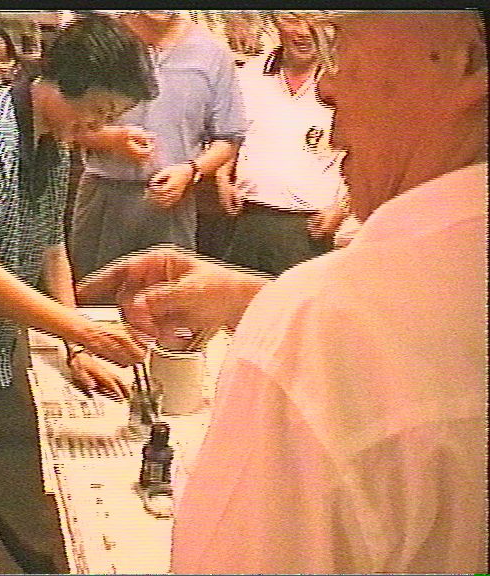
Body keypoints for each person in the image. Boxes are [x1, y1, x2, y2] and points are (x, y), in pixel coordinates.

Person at [79, 10, 487, 574]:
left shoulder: (323, 322)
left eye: (344, 43)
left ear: (461, 57)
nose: (329, 86)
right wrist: (255, 295)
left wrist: (291, 311)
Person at [0, 13, 156, 574]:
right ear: (67, 82)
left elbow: (51, 247)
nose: (100, 124)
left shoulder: (50, 137)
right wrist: (85, 329)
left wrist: (79, 348)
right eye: (100, 110)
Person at [69, 10, 246, 282]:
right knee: (92, 297)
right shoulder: (101, 41)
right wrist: (111, 140)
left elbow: (228, 138)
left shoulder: (212, 53)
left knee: (166, 305)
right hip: (103, 196)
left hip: (174, 203)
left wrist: (191, 171)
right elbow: (63, 119)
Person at [219, 11, 344, 276]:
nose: (304, 31)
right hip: (249, 217)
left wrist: (342, 208)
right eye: (292, 18)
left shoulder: (344, 80)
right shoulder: (249, 74)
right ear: (274, 20)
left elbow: (368, 154)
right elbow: (233, 132)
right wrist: (222, 176)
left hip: (313, 224)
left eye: (314, 19)